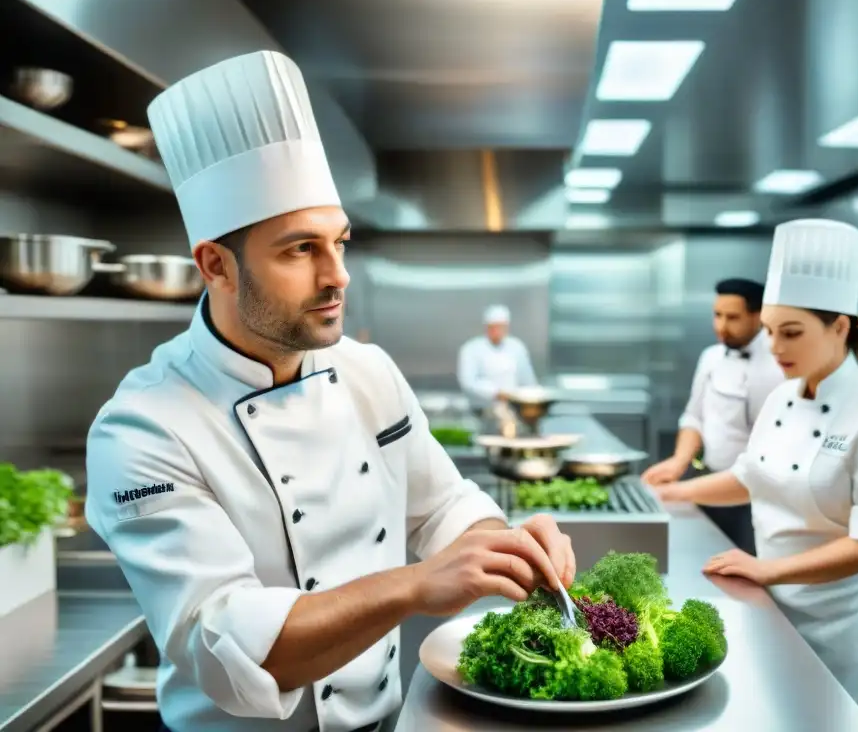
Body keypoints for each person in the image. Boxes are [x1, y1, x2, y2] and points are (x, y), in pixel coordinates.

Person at [84, 51, 576, 732]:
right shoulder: (143, 429)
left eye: (339, 243)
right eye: (299, 250)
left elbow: (442, 507)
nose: (337, 274)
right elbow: (228, 646)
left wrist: (508, 546)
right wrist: (414, 586)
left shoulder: (366, 370)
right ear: (215, 266)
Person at [655, 218, 858, 732]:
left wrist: (768, 570)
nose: (776, 347)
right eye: (769, 333)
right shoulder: (784, 396)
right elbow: (751, 475)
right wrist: (673, 489)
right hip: (778, 607)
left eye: (792, 332)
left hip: (854, 625)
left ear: (840, 327)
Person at [642, 278, 784, 553]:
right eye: (717, 315)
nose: (721, 326)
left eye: (733, 317)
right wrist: (679, 461)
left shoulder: (780, 366)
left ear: (759, 316)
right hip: (707, 483)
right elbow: (694, 417)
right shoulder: (711, 357)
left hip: (755, 497)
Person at [456, 304, 538, 409]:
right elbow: (468, 382)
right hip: (482, 408)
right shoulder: (471, 349)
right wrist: (496, 393)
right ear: (486, 327)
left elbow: (528, 380)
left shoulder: (517, 347)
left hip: (514, 406)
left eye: (501, 327)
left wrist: (532, 398)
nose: (497, 331)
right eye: (493, 327)